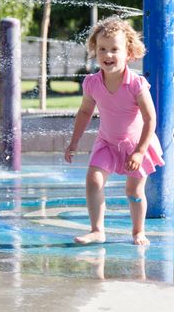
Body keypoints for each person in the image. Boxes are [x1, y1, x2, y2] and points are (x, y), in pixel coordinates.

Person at [64, 16, 164, 246]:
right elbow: (85, 113)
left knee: (134, 191)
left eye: (114, 49)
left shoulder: (136, 84)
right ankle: (97, 230)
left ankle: (138, 231)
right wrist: (74, 141)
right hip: (107, 143)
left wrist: (139, 151)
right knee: (93, 180)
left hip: (136, 143)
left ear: (128, 52)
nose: (108, 55)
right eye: (102, 49)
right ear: (95, 51)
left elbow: (150, 118)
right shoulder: (91, 83)